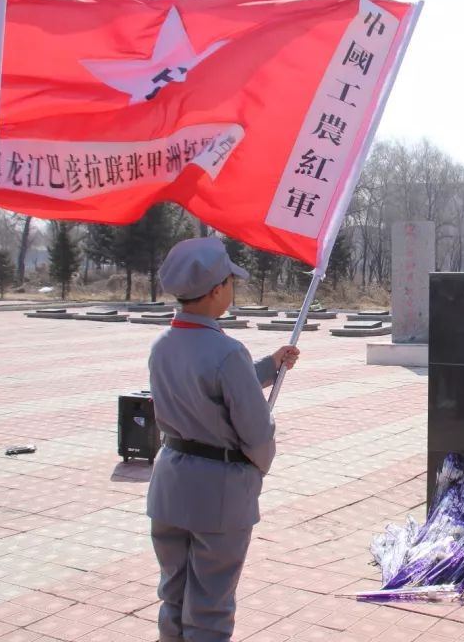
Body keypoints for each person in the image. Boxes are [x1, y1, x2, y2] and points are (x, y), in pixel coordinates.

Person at [147, 236, 300, 642]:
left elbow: (207, 384)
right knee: (211, 608)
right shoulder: (227, 351)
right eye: (231, 282)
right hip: (217, 490)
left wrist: (270, 365)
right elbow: (257, 432)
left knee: (174, 598)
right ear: (217, 291)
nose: (233, 289)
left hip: (170, 485)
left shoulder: (162, 345)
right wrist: (257, 469)